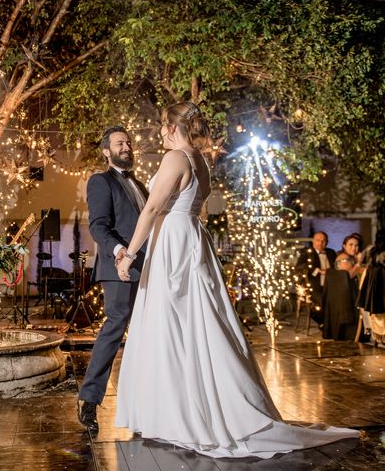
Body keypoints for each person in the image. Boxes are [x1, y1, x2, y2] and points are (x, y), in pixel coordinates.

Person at [114, 101, 359, 458]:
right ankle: (187, 409)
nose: (160, 134)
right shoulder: (201, 161)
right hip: (191, 237)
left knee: (173, 325)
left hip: (173, 242)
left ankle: (182, 414)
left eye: (161, 127)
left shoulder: (176, 158)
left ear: (171, 127)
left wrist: (130, 253)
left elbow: (152, 208)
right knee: (198, 324)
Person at [77, 126, 149, 433]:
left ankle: (146, 401)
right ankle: (90, 399)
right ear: (107, 151)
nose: (127, 147)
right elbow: (98, 226)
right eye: (120, 143)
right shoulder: (100, 181)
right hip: (119, 267)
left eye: (129, 143)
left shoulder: (142, 185)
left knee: (148, 331)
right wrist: (121, 252)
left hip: (148, 267)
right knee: (115, 327)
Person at [322, 234, 364, 340]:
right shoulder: (343, 258)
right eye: (351, 245)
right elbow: (349, 275)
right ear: (344, 246)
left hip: (346, 293)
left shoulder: (349, 257)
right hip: (345, 297)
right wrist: (359, 262)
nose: (354, 248)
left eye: (356, 245)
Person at [295, 231, 336, 323]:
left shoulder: (331, 252)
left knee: (339, 299)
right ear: (313, 241)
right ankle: (323, 323)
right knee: (323, 302)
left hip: (330, 286)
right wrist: (317, 270)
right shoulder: (306, 253)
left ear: (327, 242)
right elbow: (298, 267)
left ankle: (334, 325)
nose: (320, 243)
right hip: (313, 286)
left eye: (323, 241)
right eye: (318, 240)